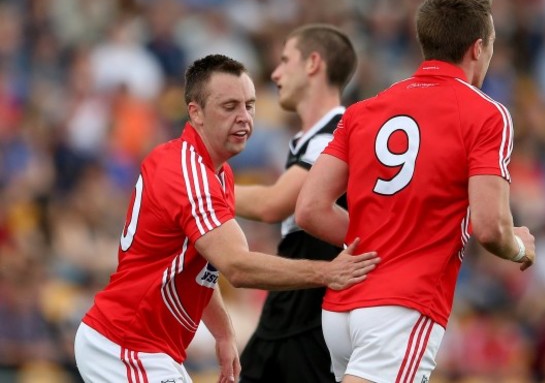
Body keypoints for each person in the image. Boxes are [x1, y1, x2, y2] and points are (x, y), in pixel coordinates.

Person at [73, 54, 379, 383]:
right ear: (196, 112)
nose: (244, 117)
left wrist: (222, 334)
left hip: (145, 348)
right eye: (229, 106)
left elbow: (202, 268)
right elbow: (237, 266)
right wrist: (327, 272)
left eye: (249, 105)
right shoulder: (188, 174)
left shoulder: (217, 173)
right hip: (124, 346)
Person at [295, 0, 536, 383]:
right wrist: (520, 247)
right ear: (478, 49)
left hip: (341, 309)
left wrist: (376, 243)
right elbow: (491, 227)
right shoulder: (486, 114)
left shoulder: (364, 110)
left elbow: (309, 209)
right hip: (402, 306)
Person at [235, 24, 358, 382]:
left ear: (313, 63)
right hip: (293, 303)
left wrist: (191, 189)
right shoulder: (316, 136)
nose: (275, 73)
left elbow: (273, 204)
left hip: (311, 312)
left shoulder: (337, 131)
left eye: (285, 60)